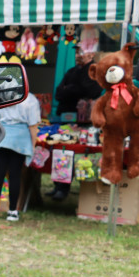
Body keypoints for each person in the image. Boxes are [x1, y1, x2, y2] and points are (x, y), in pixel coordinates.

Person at [50, 45, 103, 201]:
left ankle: (66, 189)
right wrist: (73, 90)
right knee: (61, 152)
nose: (78, 55)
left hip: (83, 121)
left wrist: (72, 89)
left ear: (91, 53)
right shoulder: (71, 71)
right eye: (77, 52)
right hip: (65, 118)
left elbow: (90, 91)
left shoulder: (93, 71)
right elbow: (58, 93)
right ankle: (58, 186)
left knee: (75, 154)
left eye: (82, 52)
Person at [0, 92, 41, 222]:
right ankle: (13, 212)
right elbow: (33, 126)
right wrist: (32, 145)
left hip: (2, 136)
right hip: (20, 139)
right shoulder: (30, 99)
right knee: (15, 175)